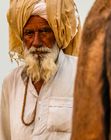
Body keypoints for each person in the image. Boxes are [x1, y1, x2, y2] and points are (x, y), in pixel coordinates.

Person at [0, 0, 81, 139]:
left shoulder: (81, 75)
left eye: (44, 31)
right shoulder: (11, 83)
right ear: (22, 38)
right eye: (29, 33)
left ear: (57, 34)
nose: (36, 42)